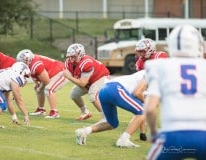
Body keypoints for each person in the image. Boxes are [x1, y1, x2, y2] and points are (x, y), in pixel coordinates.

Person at [145, 24, 206, 160]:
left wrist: (154, 133)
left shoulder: (159, 66)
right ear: (198, 44)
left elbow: (150, 109)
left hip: (172, 134)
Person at [75, 70, 147, 147]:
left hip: (104, 89)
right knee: (142, 111)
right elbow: (137, 93)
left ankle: (84, 131)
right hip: (115, 88)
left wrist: (143, 133)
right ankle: (123, 140)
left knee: (111, 123)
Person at [63, 43, 110, 121]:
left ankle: (106, 118)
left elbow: (82, 83)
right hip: (89, 81)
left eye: (73, 56)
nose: (71, 59)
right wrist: (70, 77)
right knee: (74, 95)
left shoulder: (86, 63)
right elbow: (80, 81)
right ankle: (85, 112)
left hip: (100, 78)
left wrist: (69, 77)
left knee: (92, 96)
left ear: (80, 55)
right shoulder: (68, 63)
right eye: (70, 56)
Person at [16, 49, 68, 118]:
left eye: (23, 62)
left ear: (28, 60)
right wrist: (37, 84)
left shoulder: (36, 64)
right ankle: (41, 109)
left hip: (61, 71)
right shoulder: (31, 62)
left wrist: (40, 87)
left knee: (49, 89)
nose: (22, 64)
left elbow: (46, 80)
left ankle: (54, 112)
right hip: (52, 73)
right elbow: (33, 74)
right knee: (38, 88)